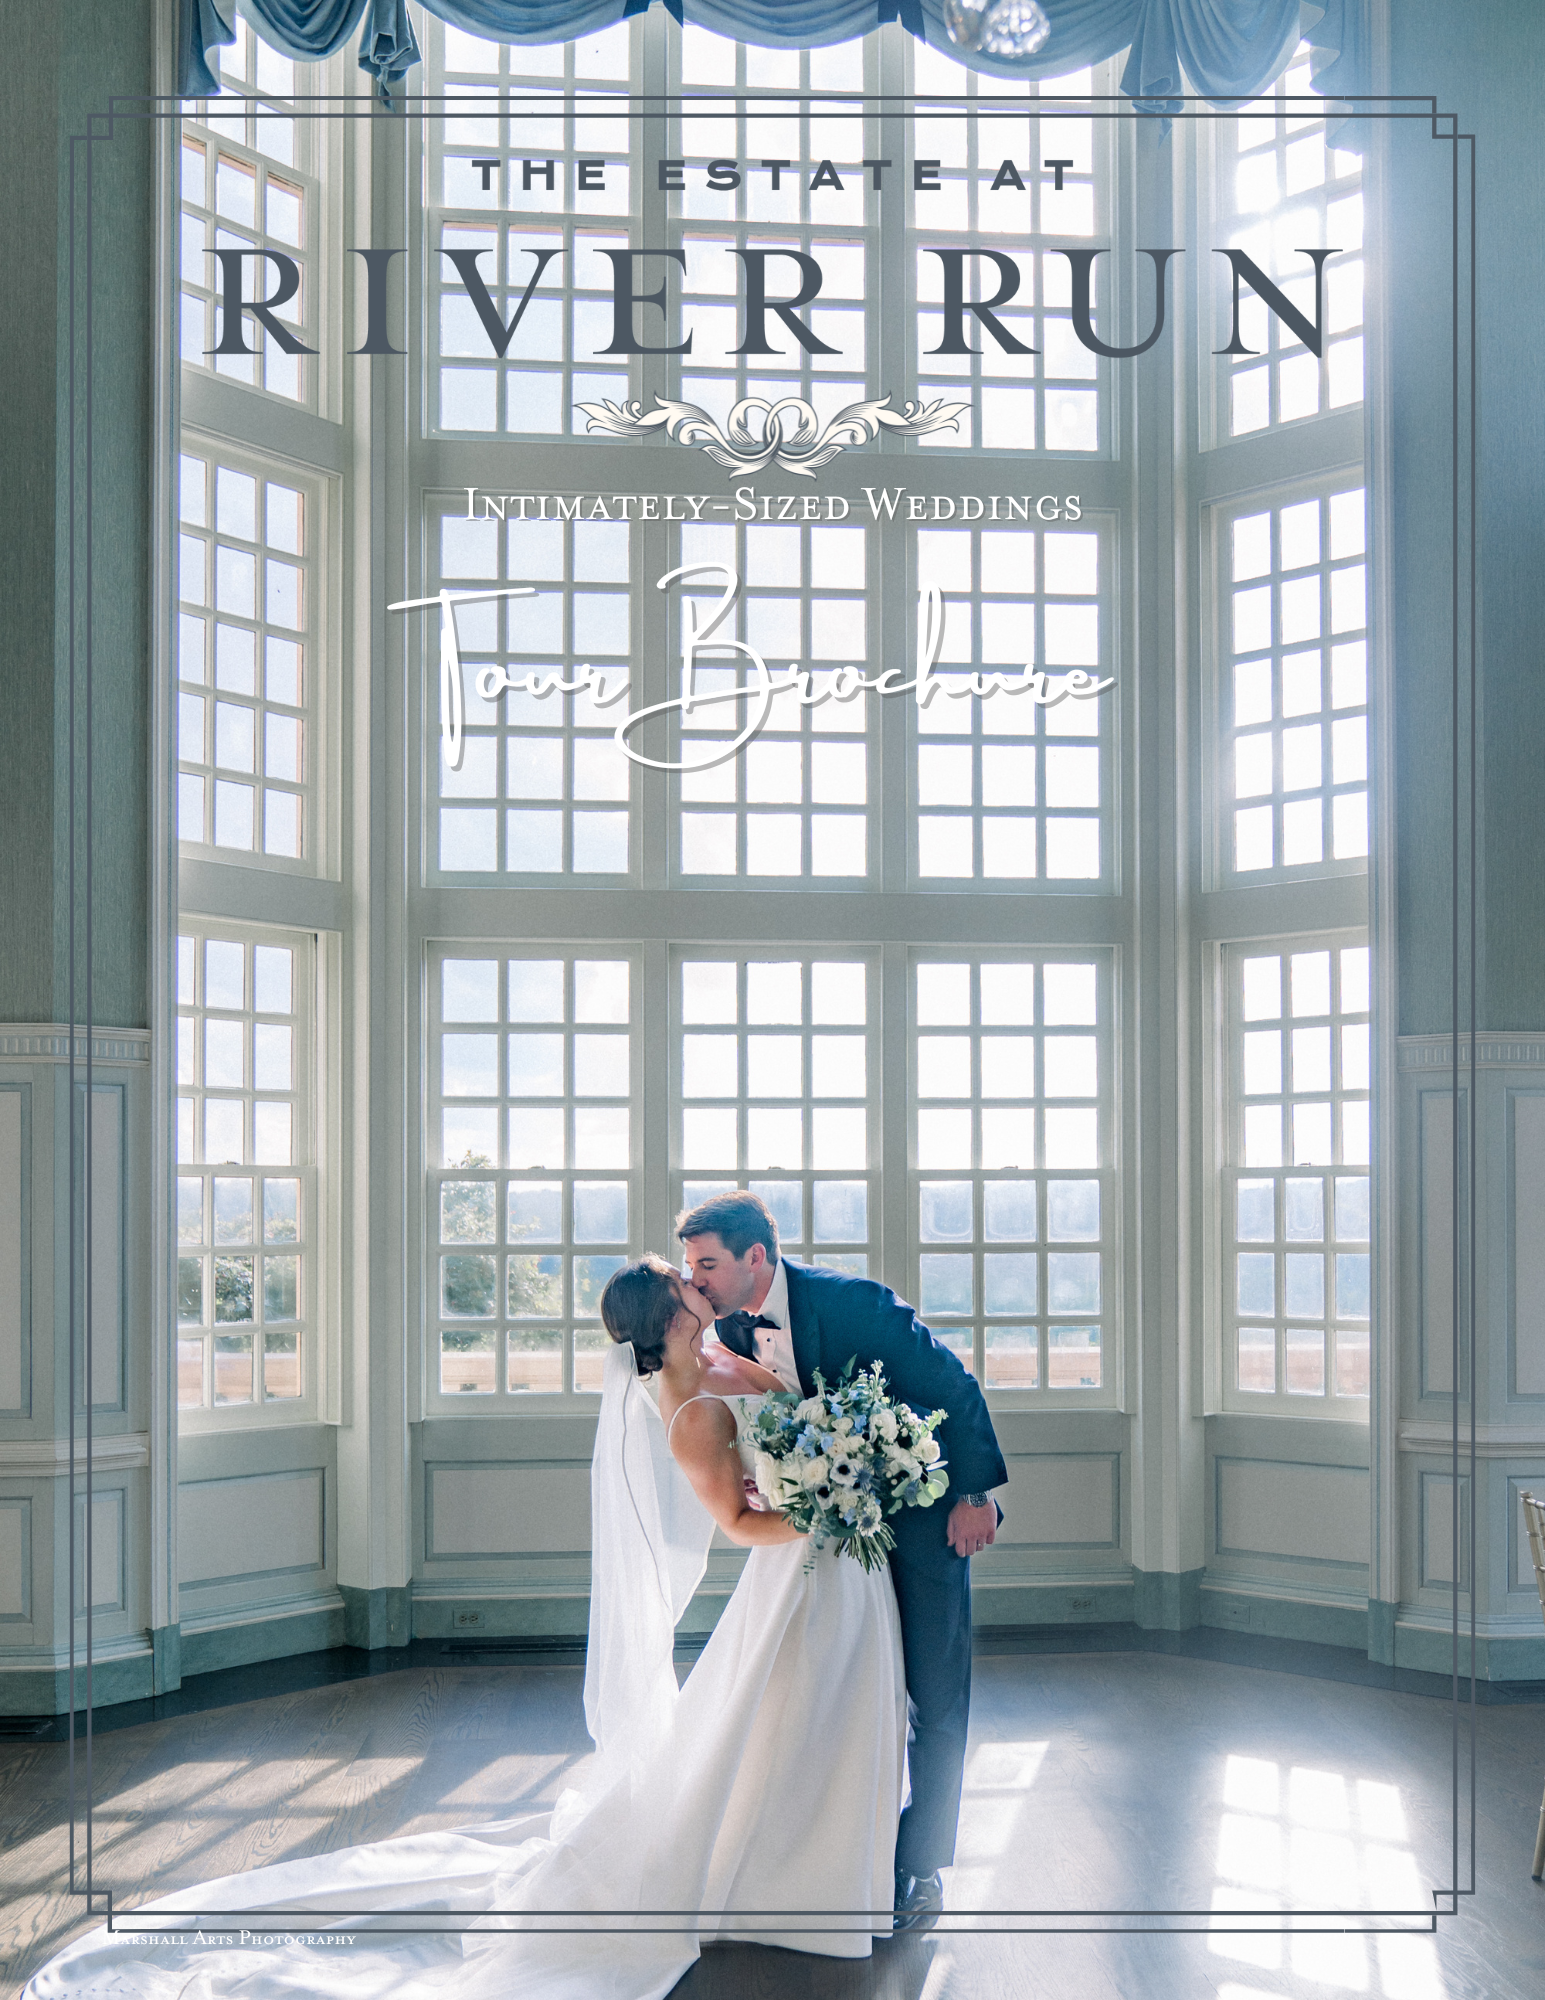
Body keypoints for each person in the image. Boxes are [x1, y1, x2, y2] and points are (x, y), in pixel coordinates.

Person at [24, 1257, 908, 1998]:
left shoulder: (716, 1361)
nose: (695, 1282)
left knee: (791, 1718)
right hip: (806, 1557)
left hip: (825, 1566)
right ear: (668, 1316)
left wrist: (837, 1460)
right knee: (782, 1713)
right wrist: (834, 1509)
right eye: (684, 1281)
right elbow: (740, 1523)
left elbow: (784, 1431)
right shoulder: (690, 1410)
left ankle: (805, 1864)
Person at [677, 1189, 1008, 1933]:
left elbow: (951, 1385)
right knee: (838, 1695)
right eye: (690, 1266)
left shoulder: (853, 1303)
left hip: (921, 1520)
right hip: (827, 1547)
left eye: (707, 1265)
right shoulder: (725, 1326)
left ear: (754, 1256)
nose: (696, 1280)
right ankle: (829, 1852)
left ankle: (920, 1865)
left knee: (933, 1695)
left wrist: (972, 1493)